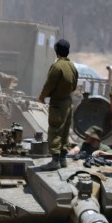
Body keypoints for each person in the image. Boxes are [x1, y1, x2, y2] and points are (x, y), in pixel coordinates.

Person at [37, 38, 79, 169]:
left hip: (58, 103)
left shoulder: (57, 66)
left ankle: (54, 161)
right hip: (68, 102)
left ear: (57, 52)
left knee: (55, 130)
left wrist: (42, 97)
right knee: (65, 130)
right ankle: (62, 159)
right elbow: (75, 85)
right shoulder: (72, 66)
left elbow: (49, 85)